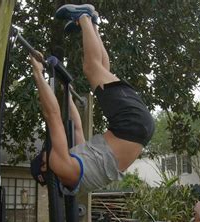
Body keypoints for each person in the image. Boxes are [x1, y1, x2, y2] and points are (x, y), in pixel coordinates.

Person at [29, 4, 155, 194]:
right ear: (45, 166)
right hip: (129, 125)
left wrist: (66, 94)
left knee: (102, 72)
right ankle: (84, 17)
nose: (46, 151)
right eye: (42, 156)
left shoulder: (75, 170)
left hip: (138, 129)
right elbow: (52, 115)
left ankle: (92, 24)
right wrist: (38, 75)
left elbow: (76, 125)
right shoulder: (59, 164)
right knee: (91, 68)